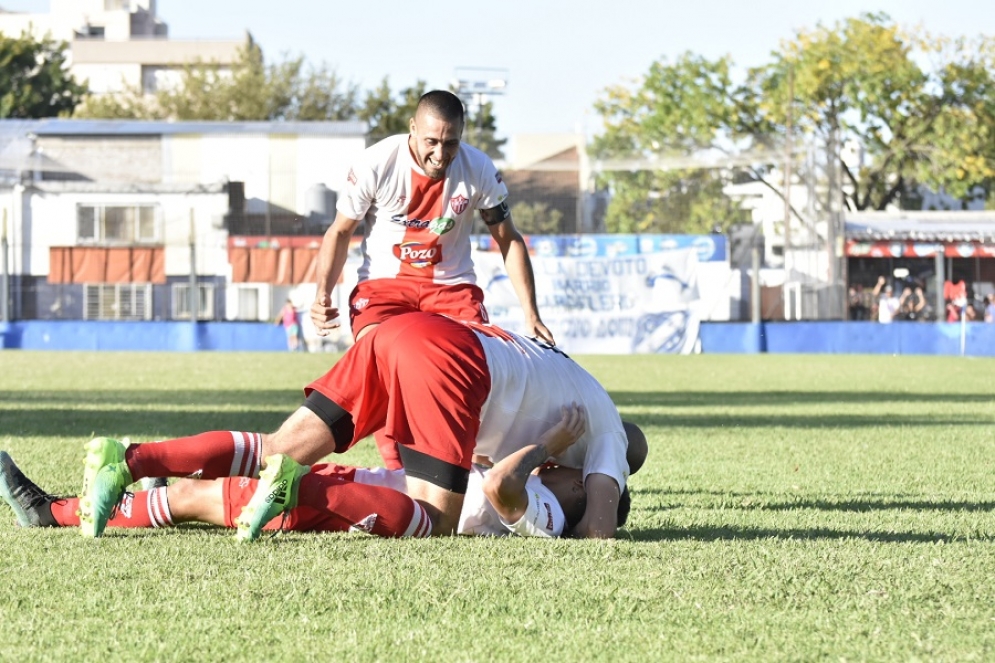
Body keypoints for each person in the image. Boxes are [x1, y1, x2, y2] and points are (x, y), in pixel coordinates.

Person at [77, 312, 641, 540]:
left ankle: (129, 460)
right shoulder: (607, 436)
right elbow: (598, 529)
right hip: (452, 363)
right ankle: (299, 485)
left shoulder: (574, 381)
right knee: (435, 522)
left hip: (401, 333)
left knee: (280, 446)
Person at [309, 89, 553, 469]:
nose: (440, 154)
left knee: (469, 376)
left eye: (451, 143)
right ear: (413, 128)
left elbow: (509, 239)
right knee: (385, 370)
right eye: (431, 142)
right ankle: (399, 472)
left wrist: (532, 314)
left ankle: (472, 468)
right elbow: (340, 231)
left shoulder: (479, 170)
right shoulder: (377, 162)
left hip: (452, 290)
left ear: (462, 135)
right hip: (384, 288)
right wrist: (322, 294)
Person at [1, 405, 638, 539]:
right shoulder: (548, 489)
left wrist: (549, 440)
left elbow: (501, 489)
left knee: (211, 493)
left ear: (584, 489)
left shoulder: (553, 517)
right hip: (384, 485)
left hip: (404, 515)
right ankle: (88, 494)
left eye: (571, 469)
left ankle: (55, 511)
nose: (562, 465)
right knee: (220, 488)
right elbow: (491, 475)